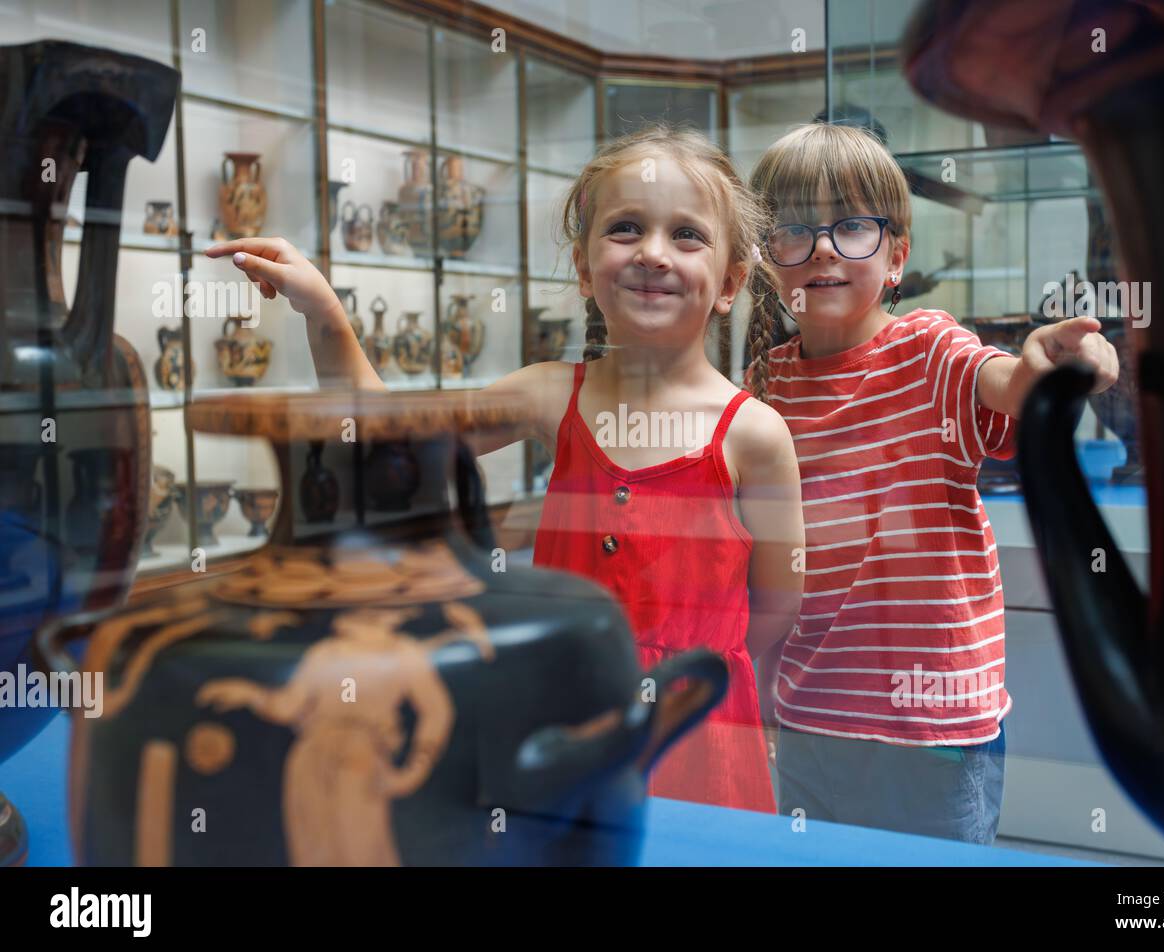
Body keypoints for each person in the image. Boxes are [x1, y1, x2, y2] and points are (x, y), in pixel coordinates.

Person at [206, 125, 804, 814]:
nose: (652, 254)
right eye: (627, 228)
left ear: (730, 281)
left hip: (698, 734)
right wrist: (325, 313)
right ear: (584, 267)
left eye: (687, 235)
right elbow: (390, 435)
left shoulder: (756, 435)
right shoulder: (550, 393)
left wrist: (691, 657)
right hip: (562, 712)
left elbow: (777, 606)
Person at [744, 121, 1119, 843]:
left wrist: (1050, 365)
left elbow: (1008, 383)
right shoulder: (766, 380)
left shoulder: (929, 348)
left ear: (897, 258)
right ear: (768, 261)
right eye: (795, 230)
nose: (822, 247)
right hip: (807, 717)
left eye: (851, 226)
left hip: (931, 727)